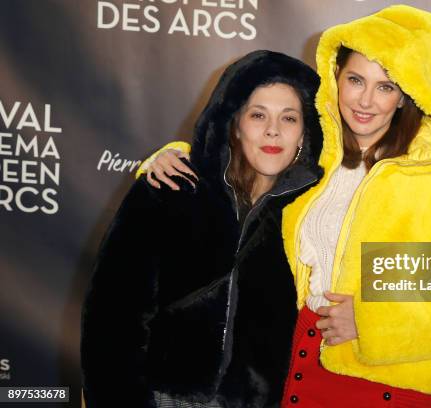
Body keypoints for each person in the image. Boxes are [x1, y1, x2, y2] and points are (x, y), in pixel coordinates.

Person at [140, 5, 431, 407]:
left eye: (385, 86)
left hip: (383, 380)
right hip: (288, 361)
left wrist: (373, 322)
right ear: (336, 78)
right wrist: (174, 158)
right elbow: (237, 161)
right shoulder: (314, 148)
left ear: (407, 94)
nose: (365, 100)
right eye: (355, 80)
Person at [80, 50, 323, 408]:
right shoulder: (172, 187)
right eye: (258, 115)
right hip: (162, 398)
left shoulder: (307, 212)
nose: (273, 130)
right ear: (234, 125)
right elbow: (112, 317)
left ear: (304, 132)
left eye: (289, 118)